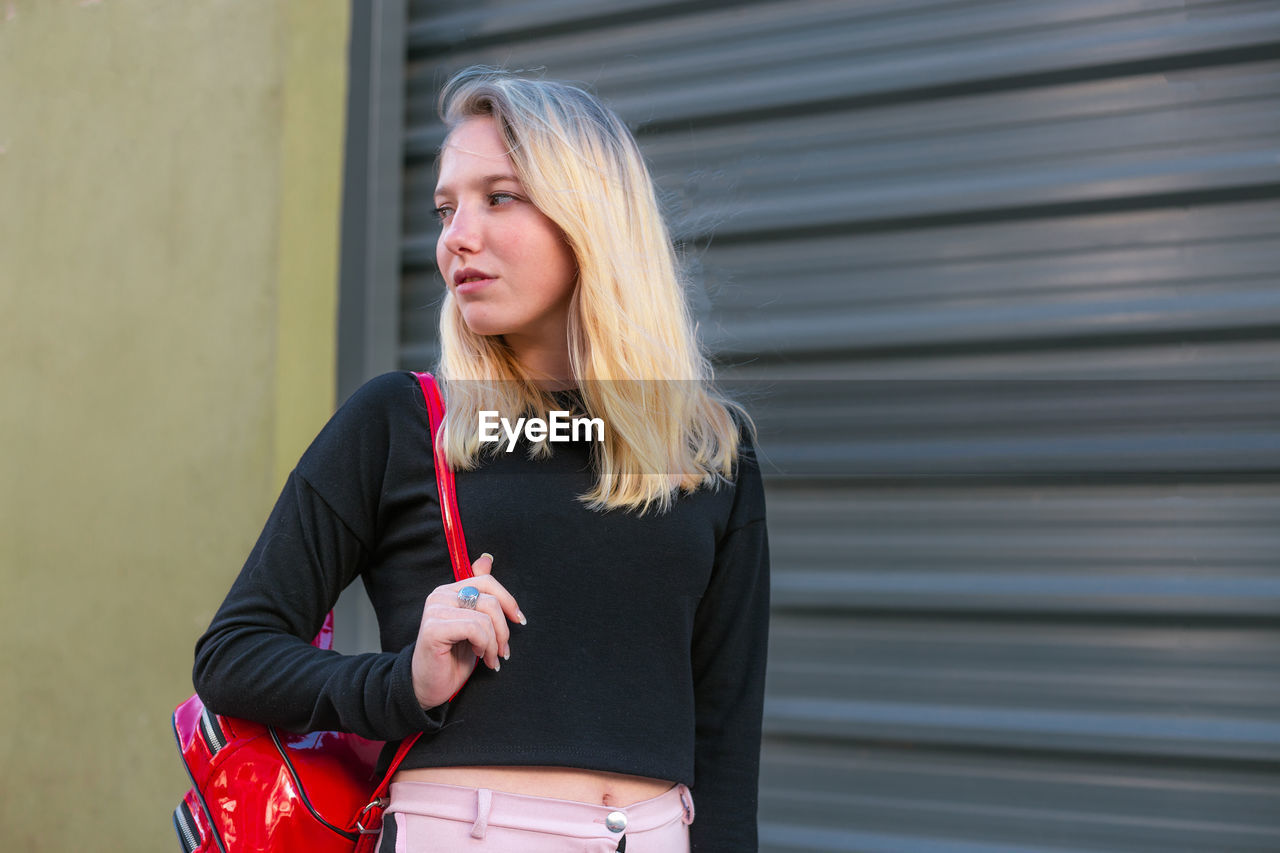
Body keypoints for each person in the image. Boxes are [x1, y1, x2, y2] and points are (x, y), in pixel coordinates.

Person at [193, 66, 770, 852]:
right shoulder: (400, 421)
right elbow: (232, 654)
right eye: (445, 208)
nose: (455, 236)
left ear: (592, 217)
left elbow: (726, 743)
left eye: (499, 196)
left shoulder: (710, 449)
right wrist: (399, 683)